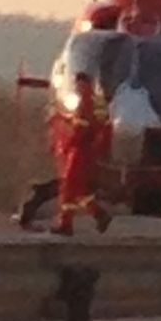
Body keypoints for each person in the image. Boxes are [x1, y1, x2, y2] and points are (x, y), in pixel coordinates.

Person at [48, 73, 112, 236]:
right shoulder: (96, 102)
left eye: (79, 85)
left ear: (84, 85)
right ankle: (98, 214)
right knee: (80, 190)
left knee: (69, 186)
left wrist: (63, 123)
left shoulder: (86, 102)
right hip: (88, 151)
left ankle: (66, 223)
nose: (77, 88)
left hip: (80, 151)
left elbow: (82, 128)